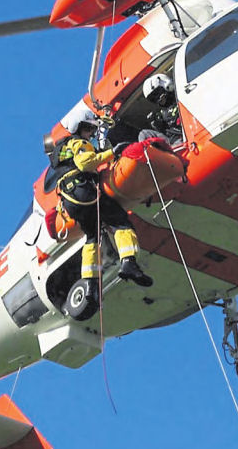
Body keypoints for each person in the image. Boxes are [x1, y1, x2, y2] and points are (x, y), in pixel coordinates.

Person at [52, 105, 153, 288]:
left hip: (70, 201)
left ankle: (90, 284)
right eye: (89, 128)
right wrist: (112, 153)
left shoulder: (62, 149)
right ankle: (129, 262)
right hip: (84, 192)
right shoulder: (79, 143)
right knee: (120, 221)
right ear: (80, 126)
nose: (91, 133)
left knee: (93, 236)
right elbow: (85, 163)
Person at [139, 73, 183, 144]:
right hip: (175, 141)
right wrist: (159, 126)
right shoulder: (163, 113)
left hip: (186, 135)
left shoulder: (182, 95)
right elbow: (168, 134)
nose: (157, 99)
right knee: (144, 133)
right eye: (153, 99)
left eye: (156, 94)